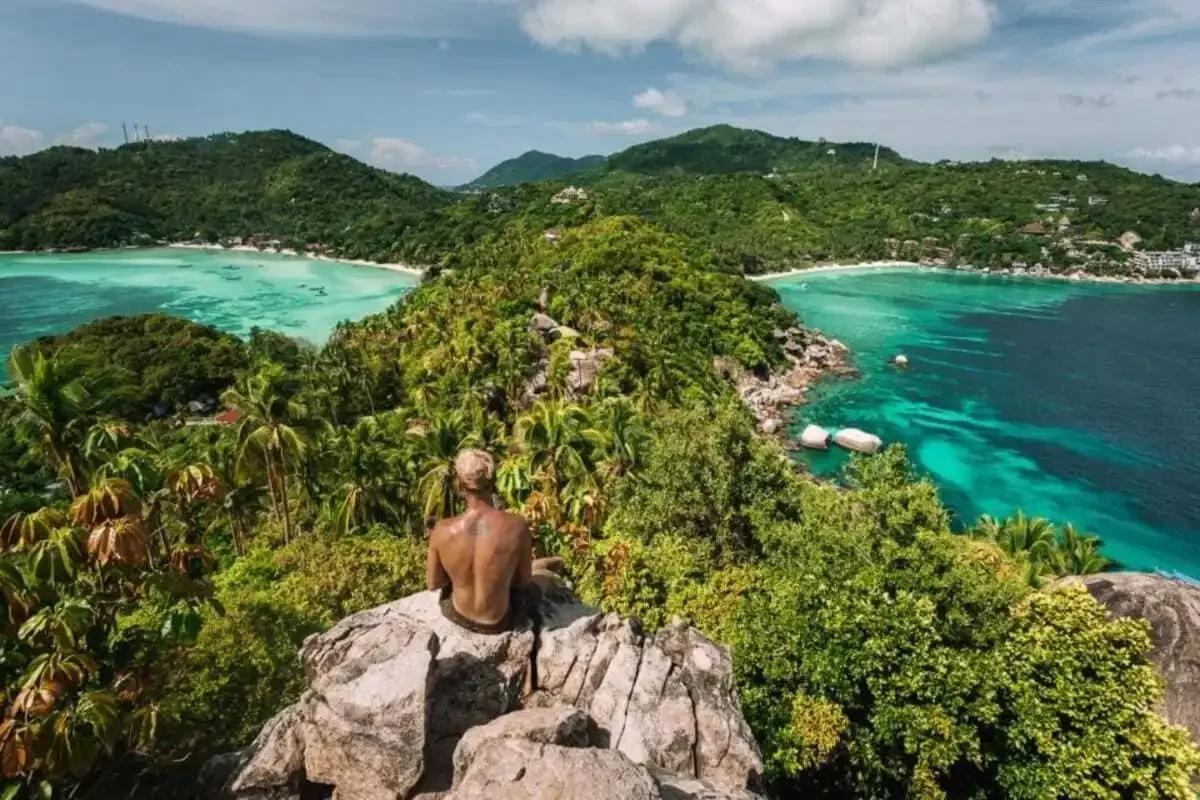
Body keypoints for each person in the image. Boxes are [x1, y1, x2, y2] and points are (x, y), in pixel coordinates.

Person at [426, 449, 535, 634]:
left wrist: (461, 575)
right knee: (544, 578)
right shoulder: (517, 526)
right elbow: (522, 583)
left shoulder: (442, 530)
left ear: (460, 484)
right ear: (493, 482)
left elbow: (433, 583)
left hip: (458, 614)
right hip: (501, 620)